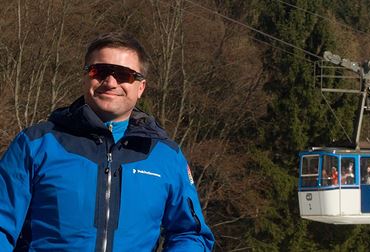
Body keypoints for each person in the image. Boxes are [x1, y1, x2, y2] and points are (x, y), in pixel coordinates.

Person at [0, 32, 214, 251]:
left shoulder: (166, 156)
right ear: (85, 77)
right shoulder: (35, 144)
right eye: (99, 71)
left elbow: (190, 234)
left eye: (125, 75)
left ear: (141, 88)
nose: (111, 82)